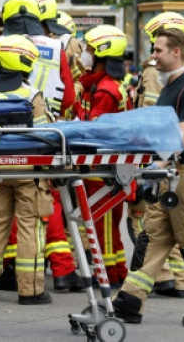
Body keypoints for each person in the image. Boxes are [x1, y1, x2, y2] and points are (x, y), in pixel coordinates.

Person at [112, 27, 184, 328]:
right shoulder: (170, 87)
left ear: (177, 52)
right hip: (168, 176)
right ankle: (129, 301)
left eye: (159, 50)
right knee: (152, 239)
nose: (153, 56)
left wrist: (153, 164)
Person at [0, 35, 55, 306]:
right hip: (26, 171)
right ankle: (30, 291)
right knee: (30, 227)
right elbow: (44, 135)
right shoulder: (30, 95)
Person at [127, 12, 184, 299]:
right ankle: (177, 278)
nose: (152, 52)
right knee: (171, 223)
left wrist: (148, 159)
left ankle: (164, 277)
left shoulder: (156, 73)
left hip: (159, 155)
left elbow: (154, 116)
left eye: (156, 47)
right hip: (176, 158)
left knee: (146, 218)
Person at [76, 25, 130, 286]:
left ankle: (108, 275)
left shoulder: (106, 90)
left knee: (104, 225)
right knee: (107, 224)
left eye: (88, 49)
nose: (84, 54)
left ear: (101, 54)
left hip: (107, 167)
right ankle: (116, 270)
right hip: (106, 166)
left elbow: (96, 130)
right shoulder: (100, 85)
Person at [0, 0, 75, 118]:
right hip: (46, 128)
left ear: (5, 14)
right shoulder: (56, 48)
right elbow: (69, 98)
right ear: (37, 13)